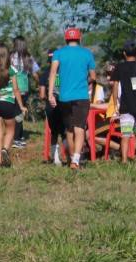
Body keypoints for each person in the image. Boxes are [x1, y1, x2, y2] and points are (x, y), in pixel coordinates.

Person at [47, 27, 96, 170]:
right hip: (81, 96)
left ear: (66, 39)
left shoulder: (58, 53)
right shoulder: (87, 53)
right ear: (79, 38)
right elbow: (93, 76)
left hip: (64, 97)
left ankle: (72, 158)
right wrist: (85, 82)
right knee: (79, 128)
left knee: (69, 129)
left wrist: (50, 94)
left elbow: (53, 73)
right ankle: (75, 160)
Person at [0, 43, 26, 167]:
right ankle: (5, 149)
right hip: (7, 103)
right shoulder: (11, 69)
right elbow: (16, 90)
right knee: (10, 130)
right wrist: (21, 106)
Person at [38, 48, 67, 165]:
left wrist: (48, 96)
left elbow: (41, 95)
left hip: (51, 105)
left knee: (54, 133)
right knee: (65, 132)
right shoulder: (65, 72)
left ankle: (56, 158)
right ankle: (70, 157)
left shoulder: (44, 74)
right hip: (64, 104)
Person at [9, 36, 39, 149]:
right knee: (19, 113)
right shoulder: (28, 57)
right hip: (24, 88)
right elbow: (35, 73)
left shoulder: (10, 56)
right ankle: (17, 139)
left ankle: (18, 136)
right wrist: (38, 83)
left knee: (15, 112)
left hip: (11, 87)